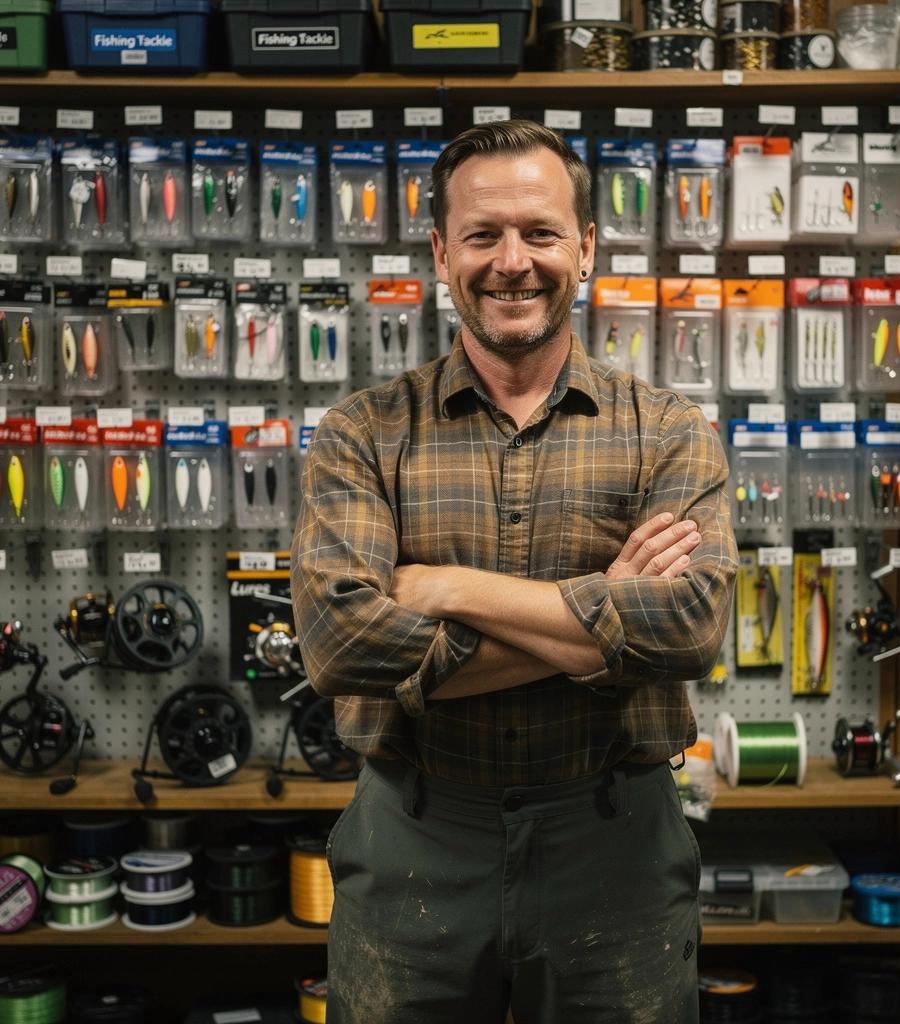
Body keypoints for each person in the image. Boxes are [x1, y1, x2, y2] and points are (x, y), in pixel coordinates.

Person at [291, 119, 737, 1024]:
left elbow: (690, 627)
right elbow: (340, 646)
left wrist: (449, 589)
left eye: (540, 232)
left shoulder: (670, 431)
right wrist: (603, 627)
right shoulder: (362, 434)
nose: (512, 262)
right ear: (441, 252)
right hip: (415, 841)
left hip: (615, 846)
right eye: (483, 235)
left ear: (586, 247)